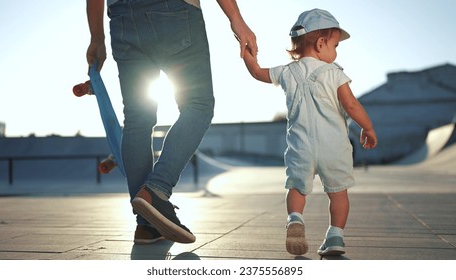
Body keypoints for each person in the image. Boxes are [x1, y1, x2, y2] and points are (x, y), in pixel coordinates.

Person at [85, 0, 257, 244]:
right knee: (198, 104)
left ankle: (146, 226)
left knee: (137, 120)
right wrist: (236, 19)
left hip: (122, 18)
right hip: (173, 11)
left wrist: (97, 37)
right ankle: (157, 189)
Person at [242, 8, 377, 256]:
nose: (336, 51)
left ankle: (295, 219)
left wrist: (247, 55)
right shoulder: (334, 73)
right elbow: (351, 105)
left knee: (296, 189)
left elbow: (257, 73)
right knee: (338, 193)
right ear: (321, 43)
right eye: (335, 45)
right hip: (333, 147)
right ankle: (335, 236)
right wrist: (367, 127)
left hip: (300, 147)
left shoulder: (286, 72)